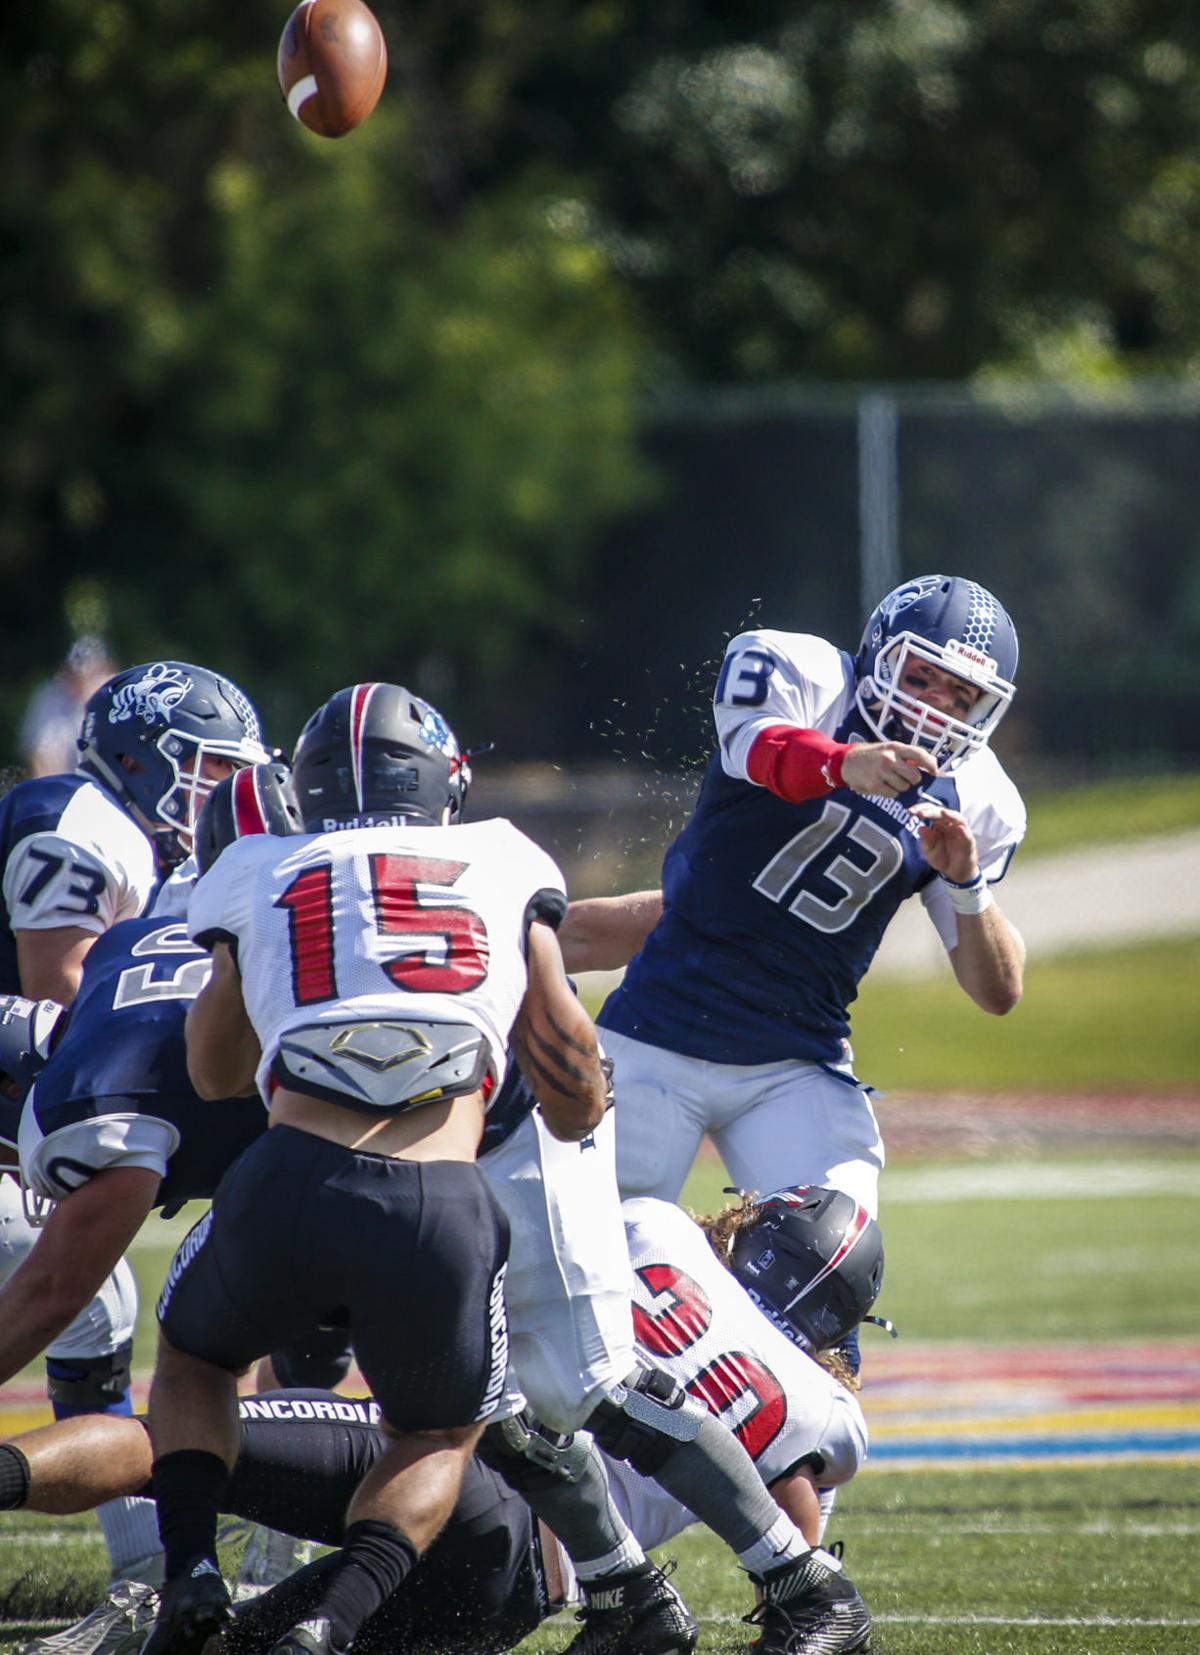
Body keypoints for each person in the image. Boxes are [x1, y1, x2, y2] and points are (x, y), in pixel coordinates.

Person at [143, 683, 609, 1655]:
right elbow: (572, 1090)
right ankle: (332, 1617)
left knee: (195, 1358)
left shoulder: (257, 865)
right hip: (437, 1203)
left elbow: (212, 1070)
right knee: (437, 1431)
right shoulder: (506, 855)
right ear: (446, 782)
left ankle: (190, 1567)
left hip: (291, 1178)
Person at [1, 1184, 880, 1655]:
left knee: (178, 1441)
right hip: (520, 1591)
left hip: (455, 1465)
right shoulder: (823, 1408)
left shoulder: (657, 1229)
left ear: (760, 1230)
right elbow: (789, 1550)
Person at [577, 574, 1027, 1232]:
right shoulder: (807, 677)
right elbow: (753, 744)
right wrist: (845, 762)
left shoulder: (980, 796)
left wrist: (967, 883)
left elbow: (998, 991)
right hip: (657, 1035)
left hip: (795, 1061)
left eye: (962, 696)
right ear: (880, 652)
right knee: (589, 1258)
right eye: (923, 677)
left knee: (829, 1266)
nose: (936, 707)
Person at [0, 659, 272, 1586]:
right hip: (21, 1093)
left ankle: (148, 1568)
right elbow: (61, 1002)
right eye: (206, 769)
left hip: (26, 1107)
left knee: (99, 1317)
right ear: (138, 755)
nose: (221, 795)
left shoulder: (143, 843)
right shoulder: (75, 824)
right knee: (89, 1308)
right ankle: (149, 1567)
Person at [19, 637, 117, 780]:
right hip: (66, 786)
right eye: (73, 673)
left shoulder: (117, 695)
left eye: (91, 674)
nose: (80, 681)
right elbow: (42, 756)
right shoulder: (50, 696)